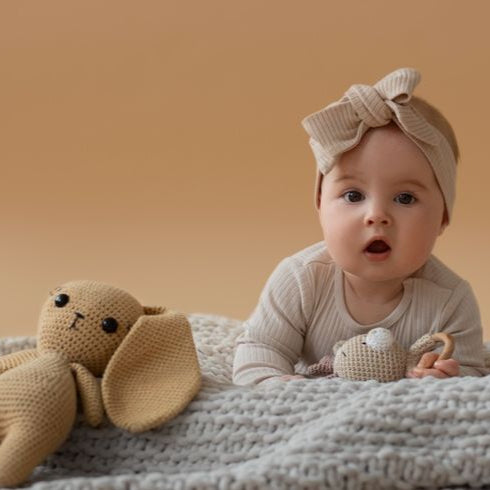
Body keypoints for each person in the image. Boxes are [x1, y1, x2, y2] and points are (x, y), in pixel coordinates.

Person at [232, 67, 488, 385]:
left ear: (443, 218)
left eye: (405, 198)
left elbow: (474, 380)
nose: (376, 215)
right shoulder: (300, 280)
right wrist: (284, 387)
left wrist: (448, 375)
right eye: (353, 195)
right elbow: (258, 351)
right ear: (320, 205)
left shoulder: (450, 300)